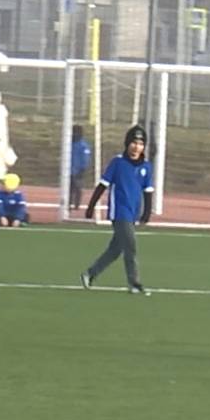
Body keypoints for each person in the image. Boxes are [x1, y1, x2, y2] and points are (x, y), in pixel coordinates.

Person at [80, 125, 154, 294]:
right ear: (127, 144)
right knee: (131, 245)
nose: (136, 147)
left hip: (133, 213)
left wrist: (146, 212)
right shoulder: (118, 163)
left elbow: (148, 191)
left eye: (140, 144)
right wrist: (91, 207)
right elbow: (102, 186)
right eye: (134, 143)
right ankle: (134, 283)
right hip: (119, 212)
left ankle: (89, 274)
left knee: (115, 250)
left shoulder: (146, 167)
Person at [68, 125, 92, 210]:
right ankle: (68, 204)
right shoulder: (69, 144)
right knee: (69, 188)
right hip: (69, 170)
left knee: (78, 187)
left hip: (78, 170)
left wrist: (82, 169)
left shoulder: (83, 145)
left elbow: (85, 158)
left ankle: (76, 204)